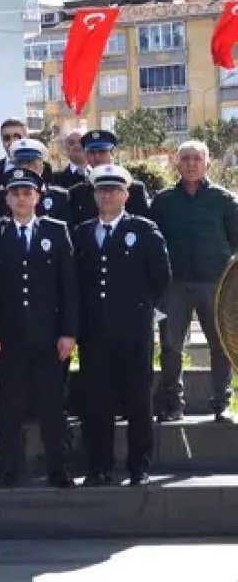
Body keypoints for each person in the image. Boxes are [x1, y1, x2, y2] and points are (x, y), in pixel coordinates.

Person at [0, 168, 78, 489]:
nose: (21, 198)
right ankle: (6, 469)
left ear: (38, 197)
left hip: (48, 338)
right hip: (8, 339)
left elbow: (69, 288)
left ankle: (58, 469)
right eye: (15, 193)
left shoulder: (57, 231)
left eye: (27, 193)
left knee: (52, 406)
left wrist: (68, 332)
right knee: (9, 408)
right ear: (6, 198)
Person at [73, 164, 171, 487]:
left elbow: (161, 277)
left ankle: (139, 466)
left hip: (132, 332)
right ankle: (99, 466)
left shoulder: (144, 230)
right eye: (102, 190)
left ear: (126, 194)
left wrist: (138, 310)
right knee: (96, 401)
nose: (107, 195)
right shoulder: (83, 233)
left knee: (138, 399)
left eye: (114, 190)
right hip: (95, 333)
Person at [150, 140, 238, 423]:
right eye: (185, 158)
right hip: (174, 285)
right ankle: (173, 404)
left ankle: (220, 403)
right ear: (177, 163)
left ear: (207, 163)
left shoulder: (225, 200)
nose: (190, 164)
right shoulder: (163, 201)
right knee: (171, 346)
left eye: (196, 159)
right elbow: (154, 244)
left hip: (217, 286)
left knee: (220, 345)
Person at [67, 130, 152, 227]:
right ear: (86, 155)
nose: (97, 157)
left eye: (102, 151)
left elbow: (145, 227)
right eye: (92, 152)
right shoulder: (77, 192)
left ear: (113, 153)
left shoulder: (134, 189)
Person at [0, 138, 71, 223]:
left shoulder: (59, 196)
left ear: (42, 167)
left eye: (31, 163)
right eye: (20, 163)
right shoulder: (2, 195)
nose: (26, 167)